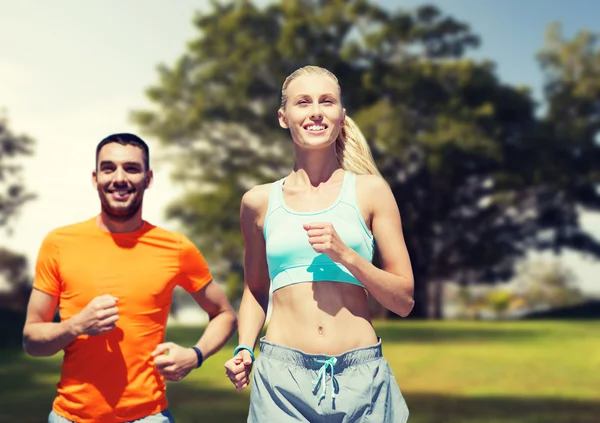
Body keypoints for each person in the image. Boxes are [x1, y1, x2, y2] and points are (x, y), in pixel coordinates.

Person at [224, 65, 414, 422]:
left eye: (327, 101)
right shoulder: (258, 202)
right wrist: (245, 348)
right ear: (284, 117)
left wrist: (347, 256)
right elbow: (255, 289)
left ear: (341, 115)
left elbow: (403, 300)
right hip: (282, 382)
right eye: (303, 102)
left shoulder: (372, 192)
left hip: (364, 381)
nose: (315, 111)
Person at [23, 133, 237, 423]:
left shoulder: (175, 247)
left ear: (148, 178)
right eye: (109, 168)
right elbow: (32, 340)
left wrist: (194, 356)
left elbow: (224, 314)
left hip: (148, 416)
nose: (119, 178)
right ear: (95, 177)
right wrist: (76, 325)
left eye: (131, 168)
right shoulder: (59, 243)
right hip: (70, 417)